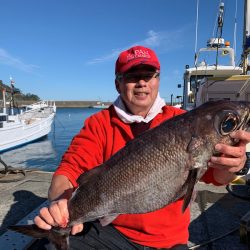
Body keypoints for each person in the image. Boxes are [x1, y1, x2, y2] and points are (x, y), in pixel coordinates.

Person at [34, 45, 250, 249]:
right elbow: (68, 172)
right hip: (114, 234)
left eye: (148, 75)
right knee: (43, 246)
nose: (141, 83)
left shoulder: (181, 119)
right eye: (131, 76)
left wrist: (232, 165)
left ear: (157, 80)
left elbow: (217, 178)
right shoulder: (98, 124)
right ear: (118, 84)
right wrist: (61, 203)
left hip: (169, 241)